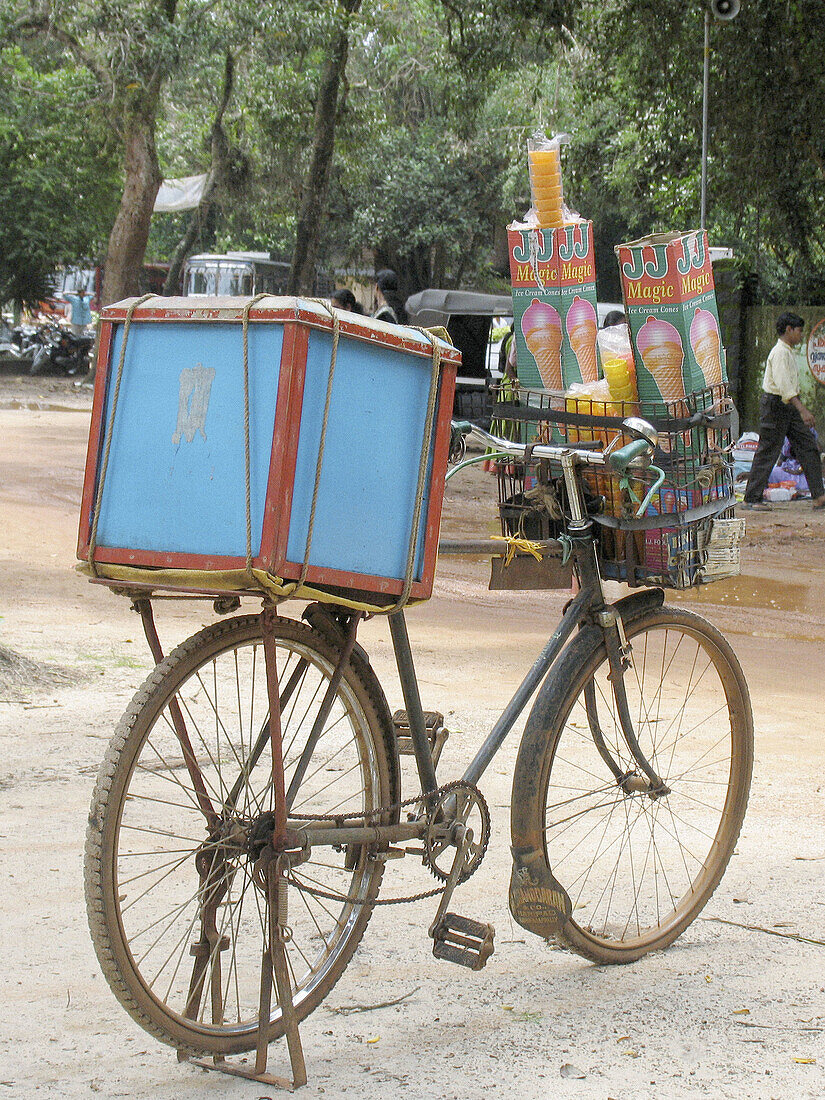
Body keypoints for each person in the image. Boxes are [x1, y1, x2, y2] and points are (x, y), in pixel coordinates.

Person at [743, 312, 825, 511]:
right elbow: (784, 388)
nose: (801, 335)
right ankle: (751, 498)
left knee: (808, 446)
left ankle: (819, 496)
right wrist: (803, 410)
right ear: (789, 329)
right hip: (776, 406)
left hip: (787, 406)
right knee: (768, 451)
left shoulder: (787, 352)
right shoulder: (780, 353)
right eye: (799, 331)